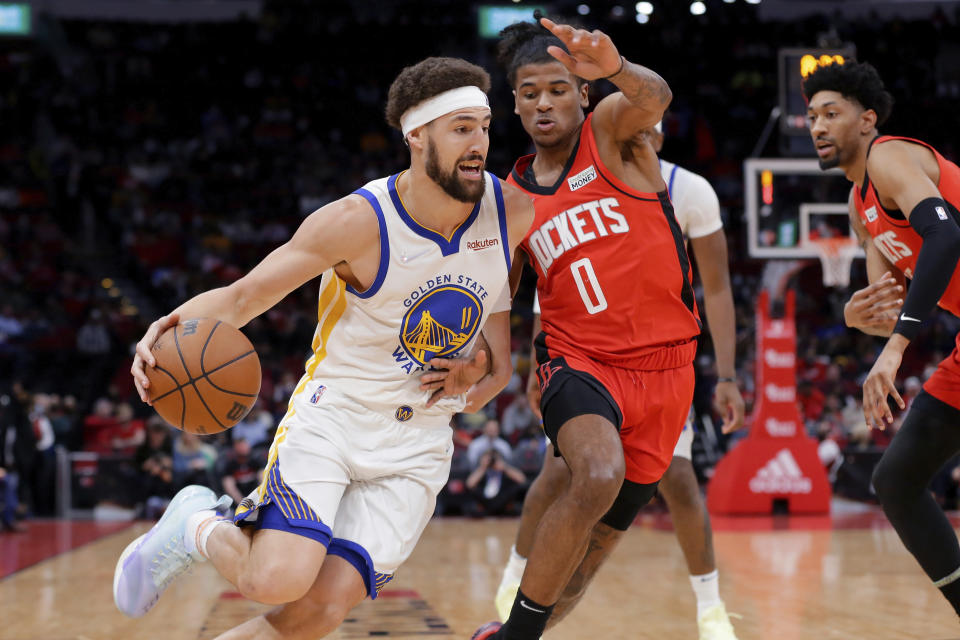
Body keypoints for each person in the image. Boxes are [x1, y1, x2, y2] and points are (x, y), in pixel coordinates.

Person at [113, 56, 534, 640]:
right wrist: (164, 325)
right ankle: (196, 523)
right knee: (274, 580)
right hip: (335, 418)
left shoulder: (510, 212)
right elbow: (241, 299)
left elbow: (495, 357)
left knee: (315, 613)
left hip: (417, 445)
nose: (479, 143)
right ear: (417, 135)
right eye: (461, 127)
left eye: (484, 127)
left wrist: (475, 371)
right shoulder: (357, 222)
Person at [472, 16, 703, 640]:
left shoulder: (611, 133)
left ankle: (519, 632)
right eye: (528, 92)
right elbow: (502, 289)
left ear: (582, 94)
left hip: (669, 371)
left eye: (556, 88)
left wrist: (617, 66)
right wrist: (495, 360)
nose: (543, 102)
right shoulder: (510, 195)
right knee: (596, 474)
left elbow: (655, 98)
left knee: (590, 560)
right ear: (514, 104)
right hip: (580, 363)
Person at [492, 116, 745, 638]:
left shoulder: (687, 190)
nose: (638, 138)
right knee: (568, 474)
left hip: (662, 364)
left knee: (677, 479)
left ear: (658, 135)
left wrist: (726, 374)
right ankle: (514, 582)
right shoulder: (562, 181)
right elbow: (553, 278)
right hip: (584, 357)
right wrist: (535, 356)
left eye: (647, 131)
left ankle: (710, 604)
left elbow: (717, 289)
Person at [804, 59, 960, 617]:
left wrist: (895, 350)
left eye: (831, 113)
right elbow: (889, 308)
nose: (818, 125)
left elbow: (946, 236)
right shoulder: (859, 206)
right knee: (896, 480)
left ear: (867, 119)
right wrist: (855, 318)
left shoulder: (888, 155)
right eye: (812, 117)